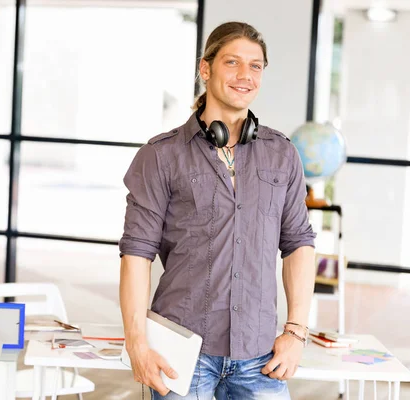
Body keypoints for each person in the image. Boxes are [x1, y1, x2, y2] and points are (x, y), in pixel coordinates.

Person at [119, 21, 316, 400]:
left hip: (261, 357)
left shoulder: (282, 153)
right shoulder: (160, 156)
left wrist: (296, 332)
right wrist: (137, 344)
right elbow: (136, 254)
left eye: (255, 66)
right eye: (233, 63)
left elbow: (298, 244)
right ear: (205, 69)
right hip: (181, 350)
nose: (245, 76)